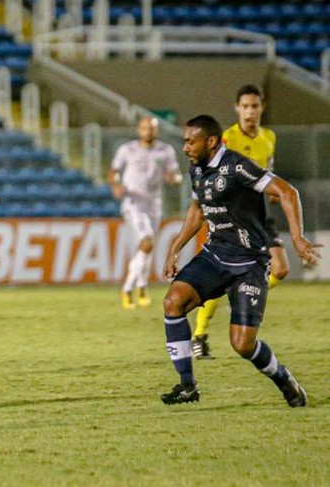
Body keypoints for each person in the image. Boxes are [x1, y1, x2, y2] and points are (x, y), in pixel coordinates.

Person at [159, 115, 321, 407]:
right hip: (215, 255)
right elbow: (197, 210)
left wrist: (297, 238)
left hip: (250, 263)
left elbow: (286, 191)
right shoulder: (197, 167)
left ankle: (282, 377)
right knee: (173, 301)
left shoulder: (237, 166)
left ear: (210, 141)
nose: (185, 148)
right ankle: (187, 385)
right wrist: (175, 248)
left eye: (190, 141)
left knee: (242, 344)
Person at [193, 84, 284, 359]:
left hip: (261, 216)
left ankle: (242, 292)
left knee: (280, 269)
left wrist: (275, 190)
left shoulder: (269, 137)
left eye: (254, 106)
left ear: (261, 108)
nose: (250, 112)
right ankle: (199, 334)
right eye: (245, 106)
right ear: (237, 108)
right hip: (233, 218)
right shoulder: (227, 138)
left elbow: (268, 169)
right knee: (224, 274)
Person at [108, 117, 182, 310]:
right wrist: (116, 184)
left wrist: (174, 178)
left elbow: (173, 173)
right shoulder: (127, 149)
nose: (148, 131)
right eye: (144, 128)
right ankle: (127, 288)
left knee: (146, 247)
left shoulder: (165, 150)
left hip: (154, 204)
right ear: (139, 130)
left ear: (156, 130)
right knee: (147, 241)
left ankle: (141, 287)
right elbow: (114, 171)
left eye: (151, 128)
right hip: (133, 202)